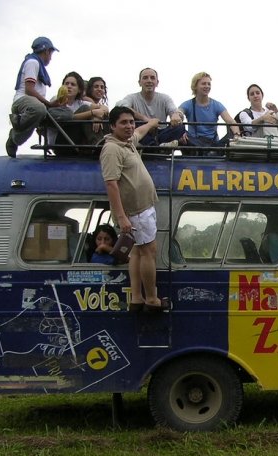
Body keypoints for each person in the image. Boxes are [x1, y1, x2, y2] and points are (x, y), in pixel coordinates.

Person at [99, 106, 170, 313]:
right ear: (112, 126)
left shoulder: (127, 142)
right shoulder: (111, 149)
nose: (129, 126)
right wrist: (121, 218)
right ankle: (152, 299)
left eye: (131, 122)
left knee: (138, 253)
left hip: (141, 209)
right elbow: (111, 184)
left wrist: (151, 122)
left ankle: (137, 298)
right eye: (123, 123)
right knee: (149, 252)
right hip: (135, 212)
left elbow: (140, 132)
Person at [7, 36, 60, 157]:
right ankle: (14, 137)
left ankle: (57, 145)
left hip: (34, 103)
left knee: (60, 113)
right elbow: (29, 90)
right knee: (39, 109)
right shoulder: (33, 62)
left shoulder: (37, 65)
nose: (51, 57)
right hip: (23, 101)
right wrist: (49, 104)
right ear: (46, 51)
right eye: (51, 53)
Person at [116, 68, 185, 147]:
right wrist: (146, 120)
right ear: (139, 82)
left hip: (161, 133)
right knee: (133, 128)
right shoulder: (132, 97)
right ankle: (158, 147)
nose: (149, 81)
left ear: (157, 82)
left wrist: (175, 115)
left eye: (152, 78)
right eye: (145, 78)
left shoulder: (165, 98)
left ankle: (156, 146)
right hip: (142, 132)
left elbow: (174, 110)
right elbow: (121, 107)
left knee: (180, 127)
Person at [46, 72, 109, 152]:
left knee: (105, 115)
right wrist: (92, 113)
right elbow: (68, 118)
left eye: (73, 84)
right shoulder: (56, 100)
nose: (69, 86)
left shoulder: (79, 102)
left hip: (77, 142)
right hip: (61, 142)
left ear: (79, 90)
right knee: (85, 109)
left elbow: (104, 108)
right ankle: (96, 145)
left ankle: (104, 143)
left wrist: (97, 116)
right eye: (66, 84)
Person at [178, 72, 240, 151]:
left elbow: (230, 121)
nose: (207, 86)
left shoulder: (217, 105)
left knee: (231, 135)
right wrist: (178, 118)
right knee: (177, 132)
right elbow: (179, 112)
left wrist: (236, 135)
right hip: (193, 143)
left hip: (213, 144)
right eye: (203, 84)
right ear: (195, 86)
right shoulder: (188, 104)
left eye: (209, 84)